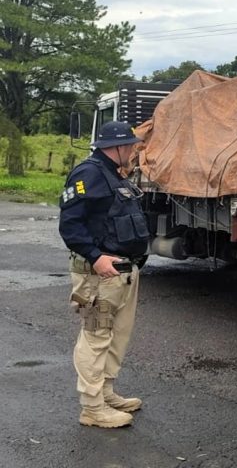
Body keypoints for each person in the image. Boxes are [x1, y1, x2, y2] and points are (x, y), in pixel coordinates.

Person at [58, 121, 150, 428]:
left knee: (116, 336)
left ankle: (106, 391)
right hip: (99, 276)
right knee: (96, 336)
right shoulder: (88, 174)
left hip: (121, 273)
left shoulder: (113, 176)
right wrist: (96, 258)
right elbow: (70, 225)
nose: (136, 150)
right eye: (132, 146)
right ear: (118, 147)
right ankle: (92, 406)